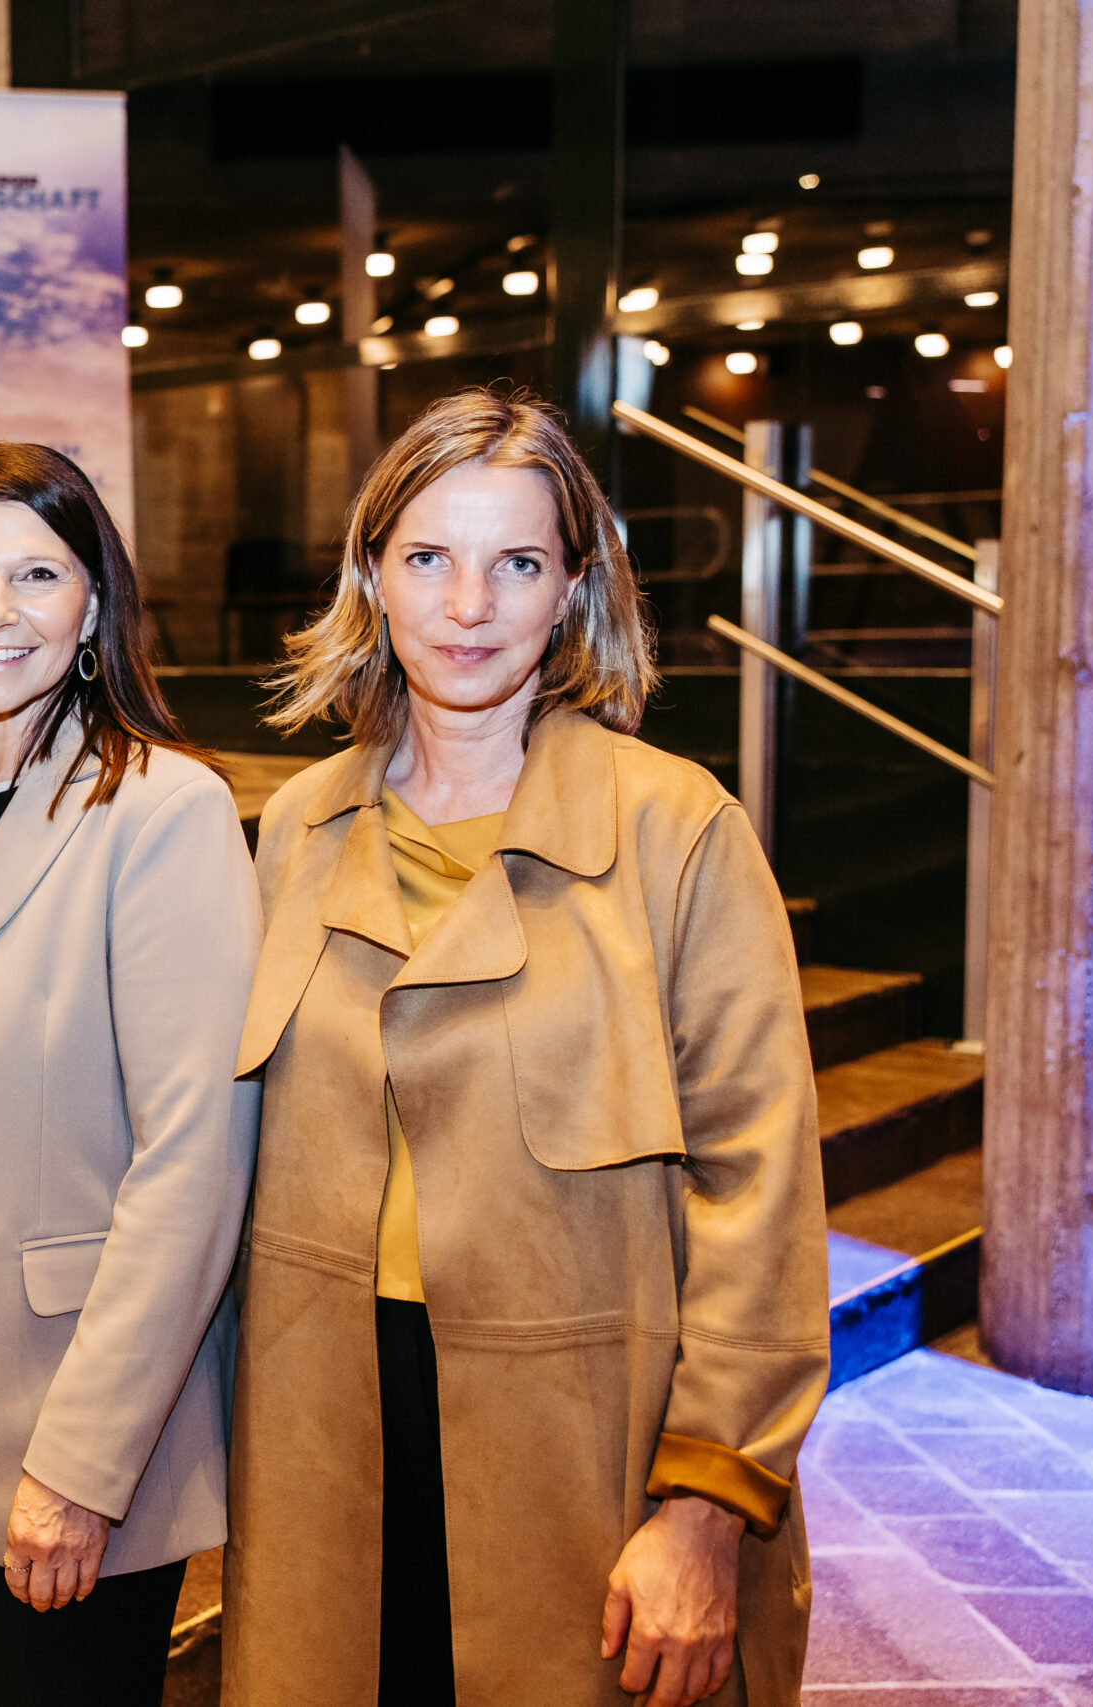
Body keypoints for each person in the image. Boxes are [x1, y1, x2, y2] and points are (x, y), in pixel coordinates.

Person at [224, 386, 829, 1707]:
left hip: (582, 1447)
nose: (468, 604)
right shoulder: (296, 828)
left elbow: (761, 1190)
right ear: (371, 577)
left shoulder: (677, 830)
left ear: (571, 591)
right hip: (330, 1437)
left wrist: (705, 1505)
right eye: (428, 557)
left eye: (515, 563)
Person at [0, 442, 262, 1707]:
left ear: (93, 604)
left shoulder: (162, 811)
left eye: (36, 574)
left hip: (65, 1428)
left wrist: (81, 1465)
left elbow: (194, 1166)